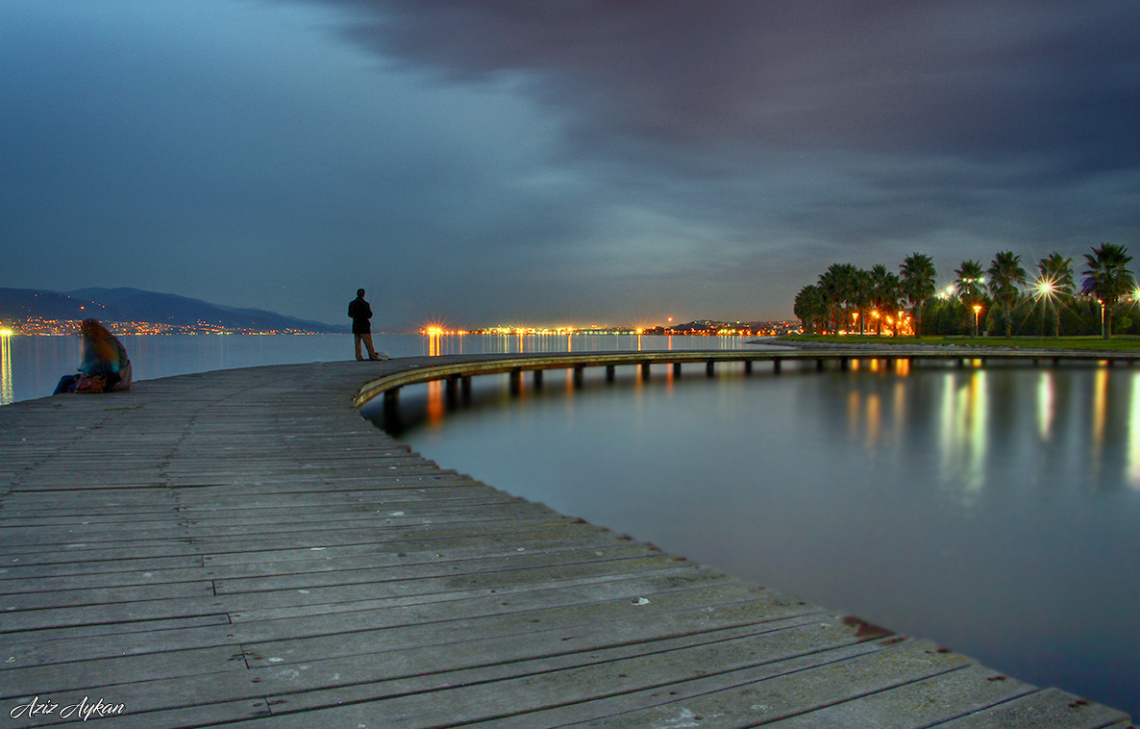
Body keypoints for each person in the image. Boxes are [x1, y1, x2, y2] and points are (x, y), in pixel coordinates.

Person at [54, 319, 133, 394]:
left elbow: (110, 368)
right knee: (65, 379)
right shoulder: (109, 342)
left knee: (67, 385)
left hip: (110, 382)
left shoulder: (102, 346)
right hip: (114, 379)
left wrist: (87, 372)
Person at [348, 288, 386, 361]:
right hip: (364, 326)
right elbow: (369, 315)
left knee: (357, 343)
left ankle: (358, 357)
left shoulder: (352, 304)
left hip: (356, 326)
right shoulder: (365, 304)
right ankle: (372, 356)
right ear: (363, 295)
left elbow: (350, 314)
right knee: (368, 343)